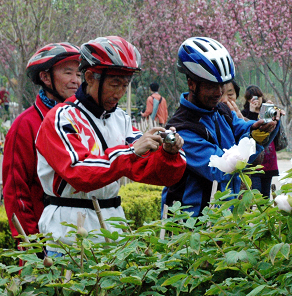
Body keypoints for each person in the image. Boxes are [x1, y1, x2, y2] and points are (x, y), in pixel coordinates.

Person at [35, 36, 186, 255]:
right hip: (68, 234)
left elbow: (146, 169)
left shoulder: (121, 119)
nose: (120, 93)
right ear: (90, 77)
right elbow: (79, 171)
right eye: (114, 84)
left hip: (113, 231)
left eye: (125, 85)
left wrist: (169, 154)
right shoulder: (61, 118)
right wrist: (132, 151)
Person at [162, 36, 280, 217]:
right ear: (191, 83)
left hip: (222, 221)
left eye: (221, 86)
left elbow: (245, 128)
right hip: (191, 226)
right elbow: (222, 166)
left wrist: (266, 127)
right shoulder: (183, 129)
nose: (219, 93)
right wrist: (254, 141)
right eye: (210, 86)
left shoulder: (221, 111)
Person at [2, 42, 81, 247]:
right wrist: (32, 245)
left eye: (79, 74)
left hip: (81, 237)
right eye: (68, 73)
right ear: (45, 77)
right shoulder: (25, 125)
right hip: (45, 240)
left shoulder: (83, 120)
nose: (76, 81)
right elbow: (17, 192)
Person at [241, 85, 279, 198]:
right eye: (251, 98)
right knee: (256, 193)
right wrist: (252, 112)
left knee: (266, 195)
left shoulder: (269, 111)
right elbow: (249, 133)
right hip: (254, 159)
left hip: (269, 158)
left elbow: (274, 132)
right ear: (247, 100)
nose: (255, 100)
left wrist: (276, 114)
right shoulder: (244, 114)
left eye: (258, 97)